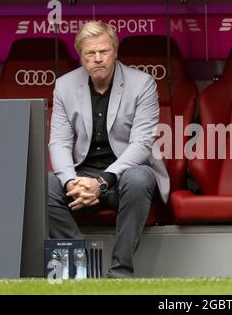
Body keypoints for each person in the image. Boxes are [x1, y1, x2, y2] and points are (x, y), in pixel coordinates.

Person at [48, 21, 169, 278]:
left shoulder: (143, 83)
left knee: (140, 178)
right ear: (81, 57)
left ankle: (119, 273)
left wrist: (102, 182)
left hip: (123, 175)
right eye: (90, 54)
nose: (98, 59)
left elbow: (141, 144)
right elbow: (59, 142)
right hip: (82, 176)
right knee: (43, 184)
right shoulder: (64, 85)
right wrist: (70, 182)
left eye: (104, 51)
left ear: (115, 51)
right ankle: (74, 267)